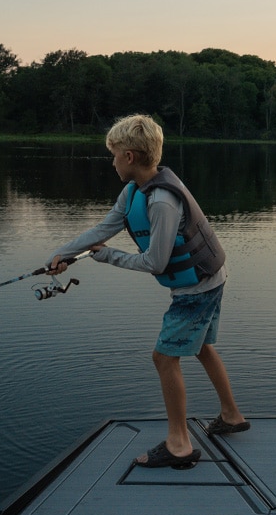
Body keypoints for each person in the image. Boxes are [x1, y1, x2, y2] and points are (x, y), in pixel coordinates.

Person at [47, 114, 248, 469]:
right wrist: (64, 253)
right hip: (208, 278)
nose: (110, 161)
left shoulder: (160, 202)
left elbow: (155, 262)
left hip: (198, 287)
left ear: (129, 157)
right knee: (201, 346)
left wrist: (108, 257)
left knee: (163, 358)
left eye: (113, 154)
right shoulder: (133, 191)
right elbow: (103, 228)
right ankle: (231, 415)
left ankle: (179, 445)